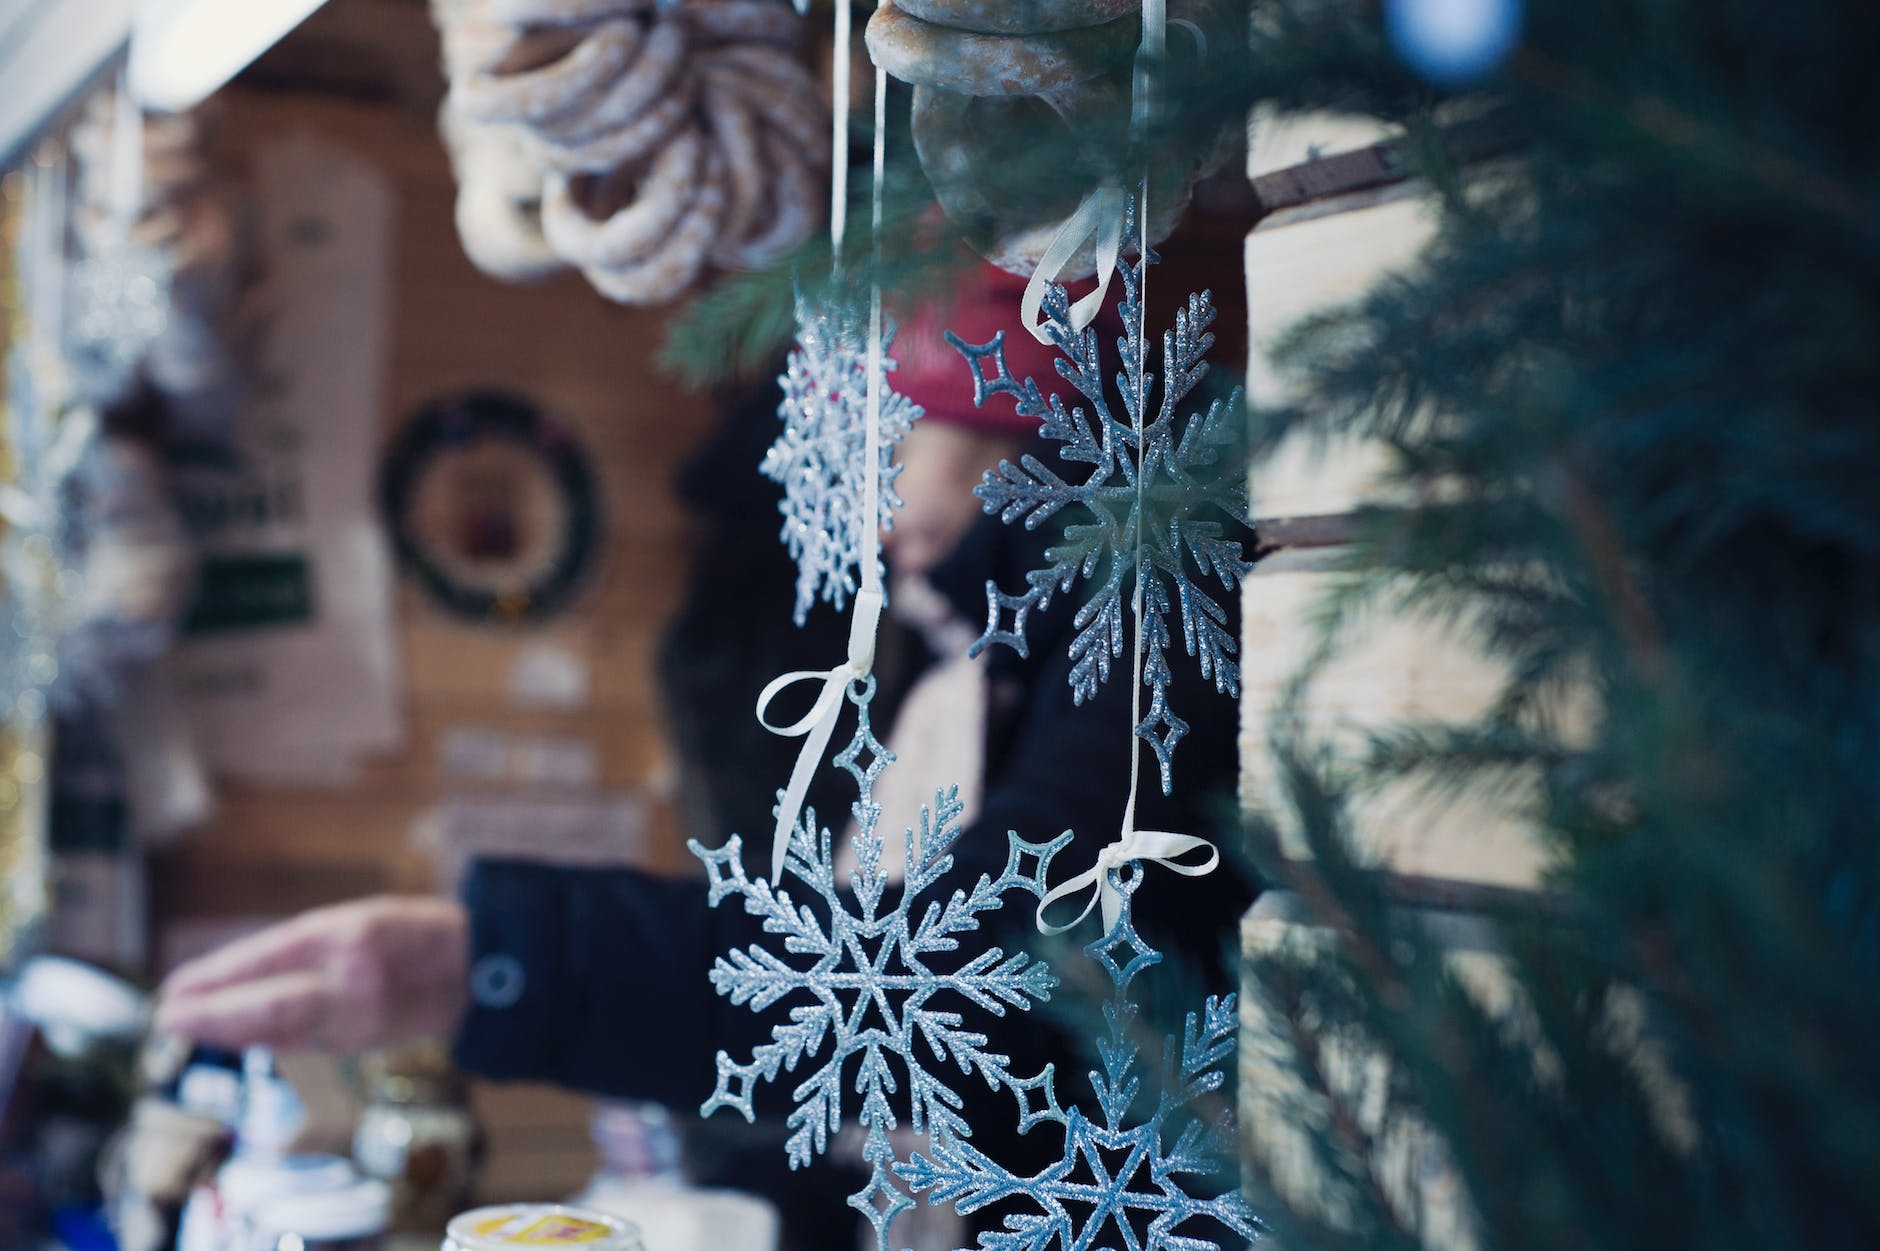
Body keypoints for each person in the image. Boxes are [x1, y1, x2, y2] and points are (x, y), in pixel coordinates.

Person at [155, 264, 1255, 1242]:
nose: (872, 524)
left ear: (1004, 415)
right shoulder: (988, 656)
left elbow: (974, 970)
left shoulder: (1150, 618)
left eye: (886, 450)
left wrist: (504, 964)